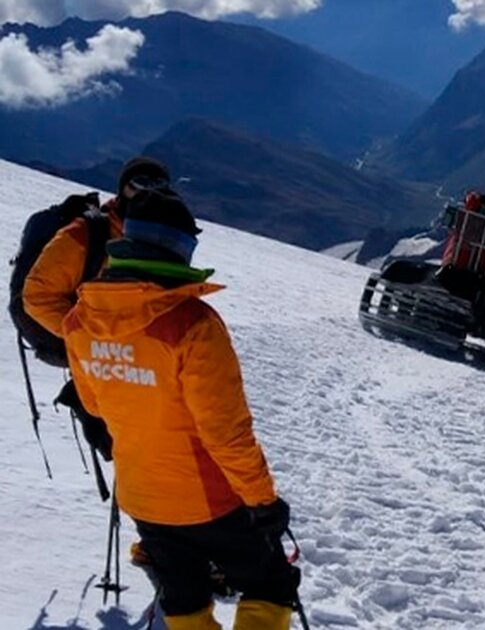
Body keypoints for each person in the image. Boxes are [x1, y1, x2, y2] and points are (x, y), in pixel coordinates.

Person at [62, 189, 297, 630]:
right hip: (209, 499)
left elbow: (95, 404)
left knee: (184, 596)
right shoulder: (193, 325)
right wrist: (263, 501)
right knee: (270, 584)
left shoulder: (79, 322)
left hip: (142, 497)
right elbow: (225, 434)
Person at [23, 156, 173, 459]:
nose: (149, 192)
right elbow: (37, 297)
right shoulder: (85, 235)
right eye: (140, 184)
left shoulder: (157, 233)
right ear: (122, 190)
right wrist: (89, 338)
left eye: (158, 185)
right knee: (120, 441)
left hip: (138, 357)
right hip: (99, 356)